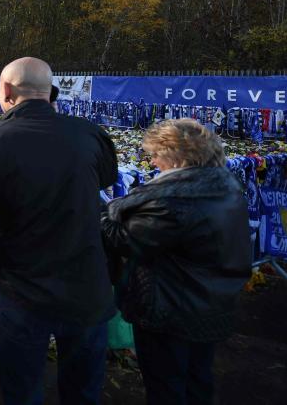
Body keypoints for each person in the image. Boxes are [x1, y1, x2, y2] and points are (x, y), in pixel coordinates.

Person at [0, 57, 118, 405]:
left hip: (22, 289)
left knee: (23, 389)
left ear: (6, 91)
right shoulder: (89, 133)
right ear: (51, 93)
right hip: (86, 283)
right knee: (83, 390)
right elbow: (105, 179)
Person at [101, 119, 251, 405]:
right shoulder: (225, 187)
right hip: (210, 304)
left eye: (156, 154)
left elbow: (122, 239)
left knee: (166, 386)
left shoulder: (174, 200)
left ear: (176, 155)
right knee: (197, 379)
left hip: (171, 310)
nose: (152, 161)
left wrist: (101, 209)